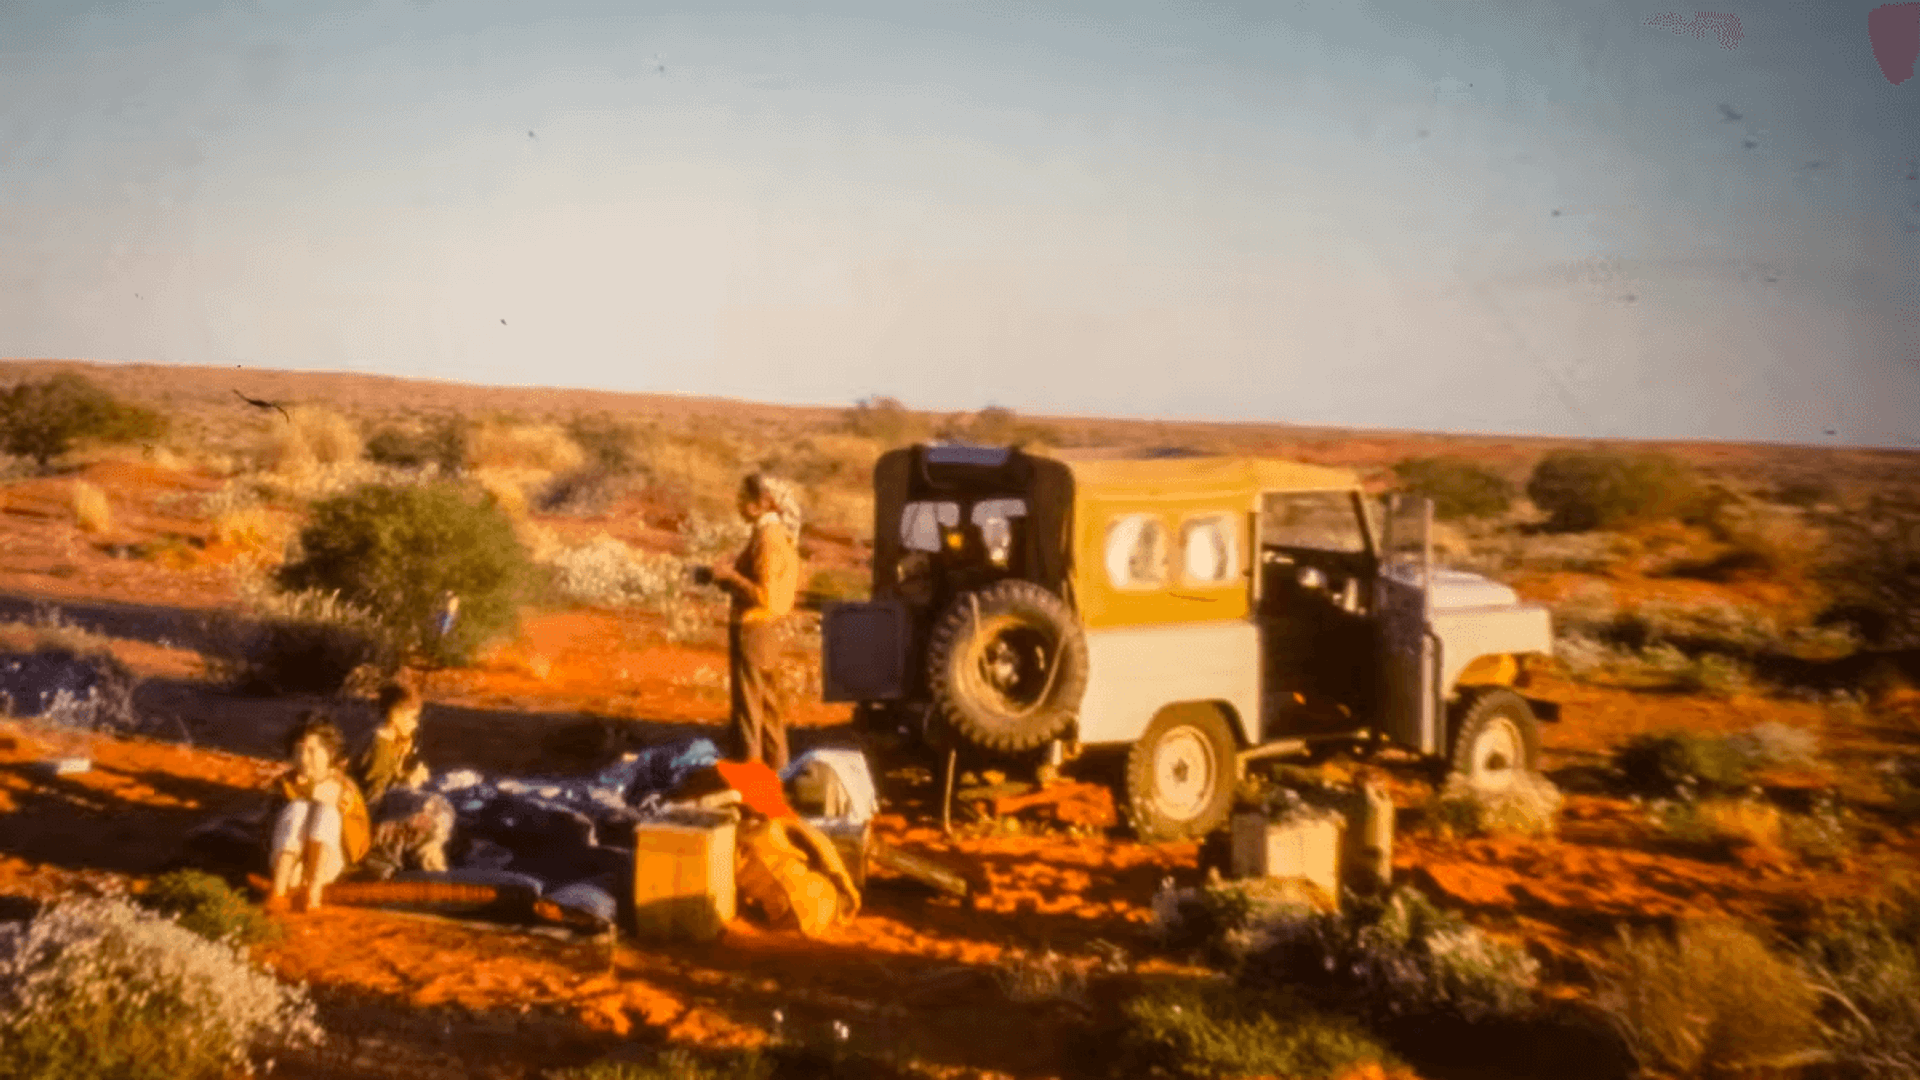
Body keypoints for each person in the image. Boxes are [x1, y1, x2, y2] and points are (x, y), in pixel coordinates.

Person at [708, 472, 801, 769]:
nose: (738, 504)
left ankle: (753, 789)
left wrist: (730, 576)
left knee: (749, 713)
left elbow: (765, 595)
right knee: (769, 709)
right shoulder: (776, 535)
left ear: (762, 502)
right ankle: (778, 779)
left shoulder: (767, 538)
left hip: (754, 630)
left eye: (743, 498)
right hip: (767, 630)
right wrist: (724, 579)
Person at [266, 712, 371, 913]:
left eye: (312, 752)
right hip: (290, 869)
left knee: (327, 811)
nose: (304, 759)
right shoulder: (284, 784)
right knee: (297, 808)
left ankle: (313, 892)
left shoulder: (343, 787)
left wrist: (318, 795)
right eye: (298, 752)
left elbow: (357, 838)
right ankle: (277, 891)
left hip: (327, 867)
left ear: (329, 753)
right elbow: (269, 829)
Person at [354, 680, 455, 879]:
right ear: (395, 715)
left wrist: (406, 774)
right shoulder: (380, 745)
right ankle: (433, 872)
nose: (415, 724)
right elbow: (373, 796)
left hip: (378, 809)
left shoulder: (389, 740)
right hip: (369, 818)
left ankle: (432, 863)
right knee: (433, 810)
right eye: (412, 718)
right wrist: (409, 784)